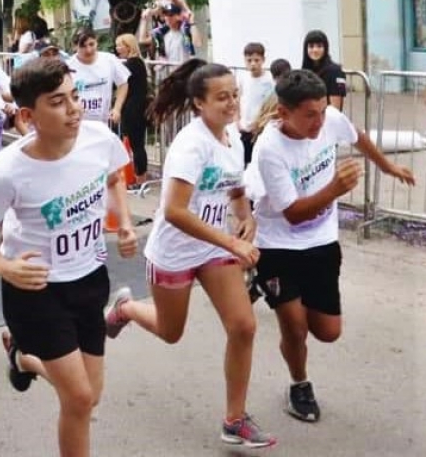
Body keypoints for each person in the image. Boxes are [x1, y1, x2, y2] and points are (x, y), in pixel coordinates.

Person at [0, 57, 138, 457]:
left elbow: (114, 177)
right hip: (36, 290)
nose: (74, 108)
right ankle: (25, 352)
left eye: (75, 96)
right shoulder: (3, 172)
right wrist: (3, 266)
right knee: (78, 399)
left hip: (90, 279)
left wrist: (125, 222)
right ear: (29, 114)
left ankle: (23, 357)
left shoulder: (99, 138)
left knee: (90, 395)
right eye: (58, 102)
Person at [104, 59, 276, 448]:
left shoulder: (231, 137)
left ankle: (234, 420)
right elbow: (175, 212)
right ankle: (126, 310)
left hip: (213, 250)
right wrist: (232, 242)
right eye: (221, 98)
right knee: (170, 332)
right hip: (175, 252)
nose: (232, 103)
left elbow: (233, 187)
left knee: (244, 326)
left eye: (235, 95)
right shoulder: (190, 145)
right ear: (198, 103)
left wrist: (245, 217)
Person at [249, 69, 414, 423]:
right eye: (310, 114)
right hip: (278, 246)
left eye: (323, 111)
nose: (319, 121)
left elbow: (358, 137)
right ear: (283, 112)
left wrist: (387, 167)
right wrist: (335, 190)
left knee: (328, 332)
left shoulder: (331, 119)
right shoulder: (269, 149)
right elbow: (293, 213)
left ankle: (271, 293)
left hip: (322, 243)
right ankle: (299, 383)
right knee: (294, 328)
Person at [66, 29, 129, 125]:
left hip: (101, 124)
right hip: (77, 124)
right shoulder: (67, 66)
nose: (89, 50)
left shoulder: (109, 60)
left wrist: (117, 109)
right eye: (83, 46)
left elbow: (123, 83)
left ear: (96, 42)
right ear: (75, 47)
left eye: (91, 44)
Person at [114, 34, 148, 186]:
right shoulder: (136, 63)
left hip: (133, 108)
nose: (117, 48)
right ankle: (140, 177)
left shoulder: (131, 64)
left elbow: (119, 82)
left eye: (120, 45)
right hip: (137, 106)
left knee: (137, 144)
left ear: (128, 46)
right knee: (137, 143)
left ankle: (140, 178)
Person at [237, 43, 275, 165]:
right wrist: (237, 121)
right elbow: (237, 100)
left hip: (260, 128)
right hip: (244, 128)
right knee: (245, 160)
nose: (253, 63)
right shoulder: (242, 77)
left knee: (260, 161)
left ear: (263, 60)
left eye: (256, 60)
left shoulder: (269, 80)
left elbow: (270, 106)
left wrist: (260, 123)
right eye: (249, 60)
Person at [301, 30, 347, 110]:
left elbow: (335, 109)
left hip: (326, 119)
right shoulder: (304, 72)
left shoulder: (335, 71)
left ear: (325, 48)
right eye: (311, 46)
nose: (315, 50)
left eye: (319, 46)